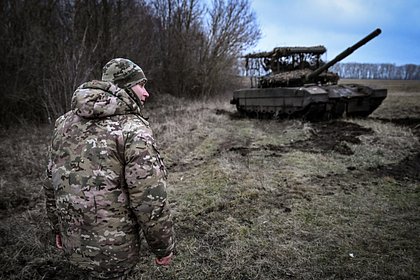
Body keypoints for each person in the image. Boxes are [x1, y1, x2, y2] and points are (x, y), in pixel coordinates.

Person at [44, 58, 175, 280]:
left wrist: (58, 228)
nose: (146, 93)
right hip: (115, 255)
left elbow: (51, 182)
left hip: (73, 246)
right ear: (123, 87)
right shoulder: (134, 129)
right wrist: (163, 247)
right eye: (141, 85)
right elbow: (149, 199)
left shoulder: (64, 123)